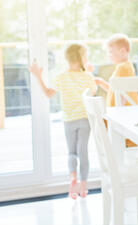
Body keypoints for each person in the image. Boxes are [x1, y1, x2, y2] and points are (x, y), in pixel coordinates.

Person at [29, 44, 97, 199]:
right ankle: (84, 186)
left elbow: (47, 93)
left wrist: (38, 75)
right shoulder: (87, 77)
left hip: (69, 120)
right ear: (82, 59)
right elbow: (92, 92)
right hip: (84, 120)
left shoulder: (60, 77)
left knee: (72, 152)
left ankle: (73, 178)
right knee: (83, 152)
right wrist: (89, 73)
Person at [95, 33, 138, 147]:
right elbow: (116, 90)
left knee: (100, 126)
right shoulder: (125, 66)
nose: (109, 55)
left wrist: (118, 113)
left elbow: (123, 95)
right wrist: (101, 82)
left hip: (120, 115)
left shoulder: (122, 68)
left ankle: (111, 154)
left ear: (123, 51)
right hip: (119, 112)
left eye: (111, 52)